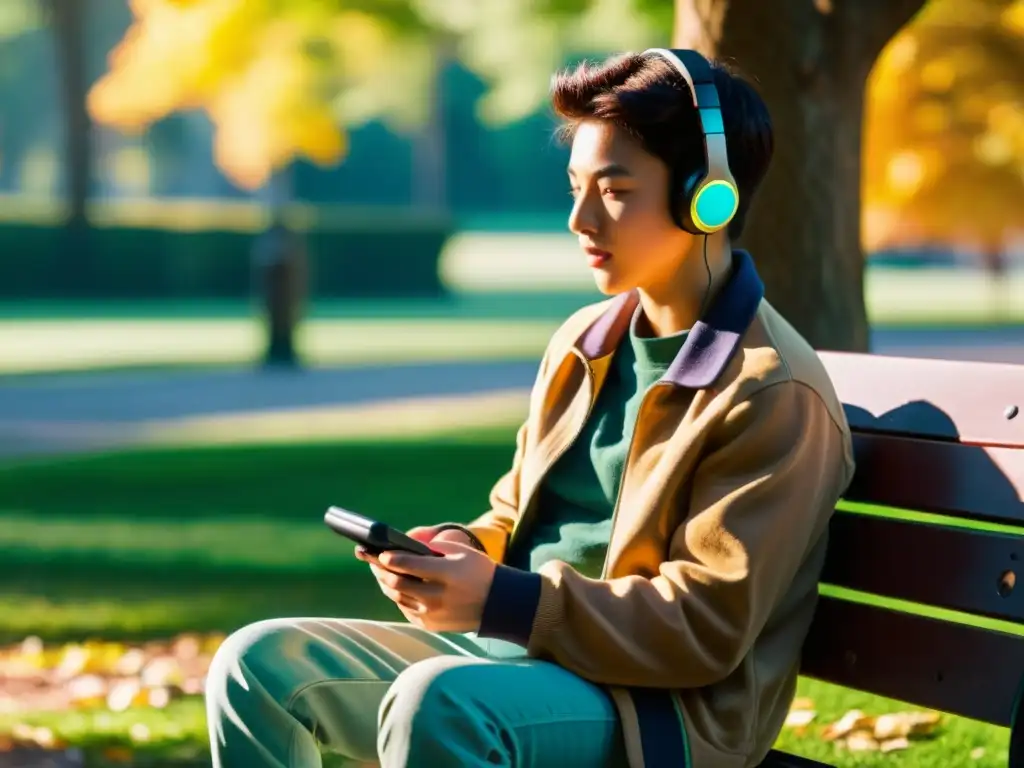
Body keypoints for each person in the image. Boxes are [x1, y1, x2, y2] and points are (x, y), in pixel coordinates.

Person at [205, 48, 855, 768]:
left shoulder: (770, 392)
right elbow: (516, 515)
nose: (580, 218)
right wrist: (459, 552)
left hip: (658, 712)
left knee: (440, 702)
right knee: (257, 665)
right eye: (576, 186)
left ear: (709, 197)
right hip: (515, 654)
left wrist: (507, 602)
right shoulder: (586, 340)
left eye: (614, 191)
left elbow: (703, 628)